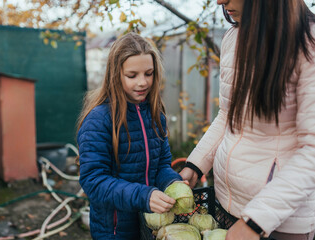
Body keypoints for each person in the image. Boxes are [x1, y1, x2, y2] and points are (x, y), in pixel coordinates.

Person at [180, 0, 315, 239]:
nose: (220, 1)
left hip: (277, 221)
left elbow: (312, 151)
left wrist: (256, 221)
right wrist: (195, 165)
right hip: (228, 203)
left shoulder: (307, 43)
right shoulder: (233, 38)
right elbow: (228, 115)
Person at [76, 32, 182, 240]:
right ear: (116, 75)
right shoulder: (99, 120)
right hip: (115, 231)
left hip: (151, 225)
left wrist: (173, 184)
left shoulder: (156, 115)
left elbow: (162, 166)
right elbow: (93, 182)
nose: (142, 82)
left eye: (149, 73)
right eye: (132, 75)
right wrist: (143, 196)